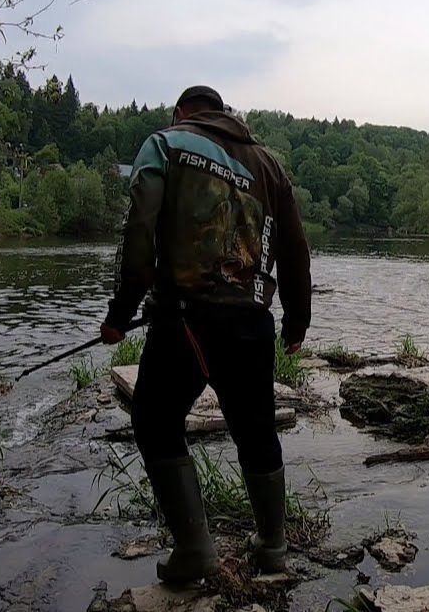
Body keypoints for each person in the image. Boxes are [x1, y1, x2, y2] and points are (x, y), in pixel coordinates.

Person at [100, 85, 311, 583]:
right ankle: (273, 549)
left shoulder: (165, 144)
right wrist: (296, 322)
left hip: (184, 319)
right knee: (256, 430)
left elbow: (139, 234)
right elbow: (296, 248)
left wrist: (119, 313)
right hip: (254, 324)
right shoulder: (269, 164)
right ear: (225, 113)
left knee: (155, 421)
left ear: (181, 112)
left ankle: (195, 550)